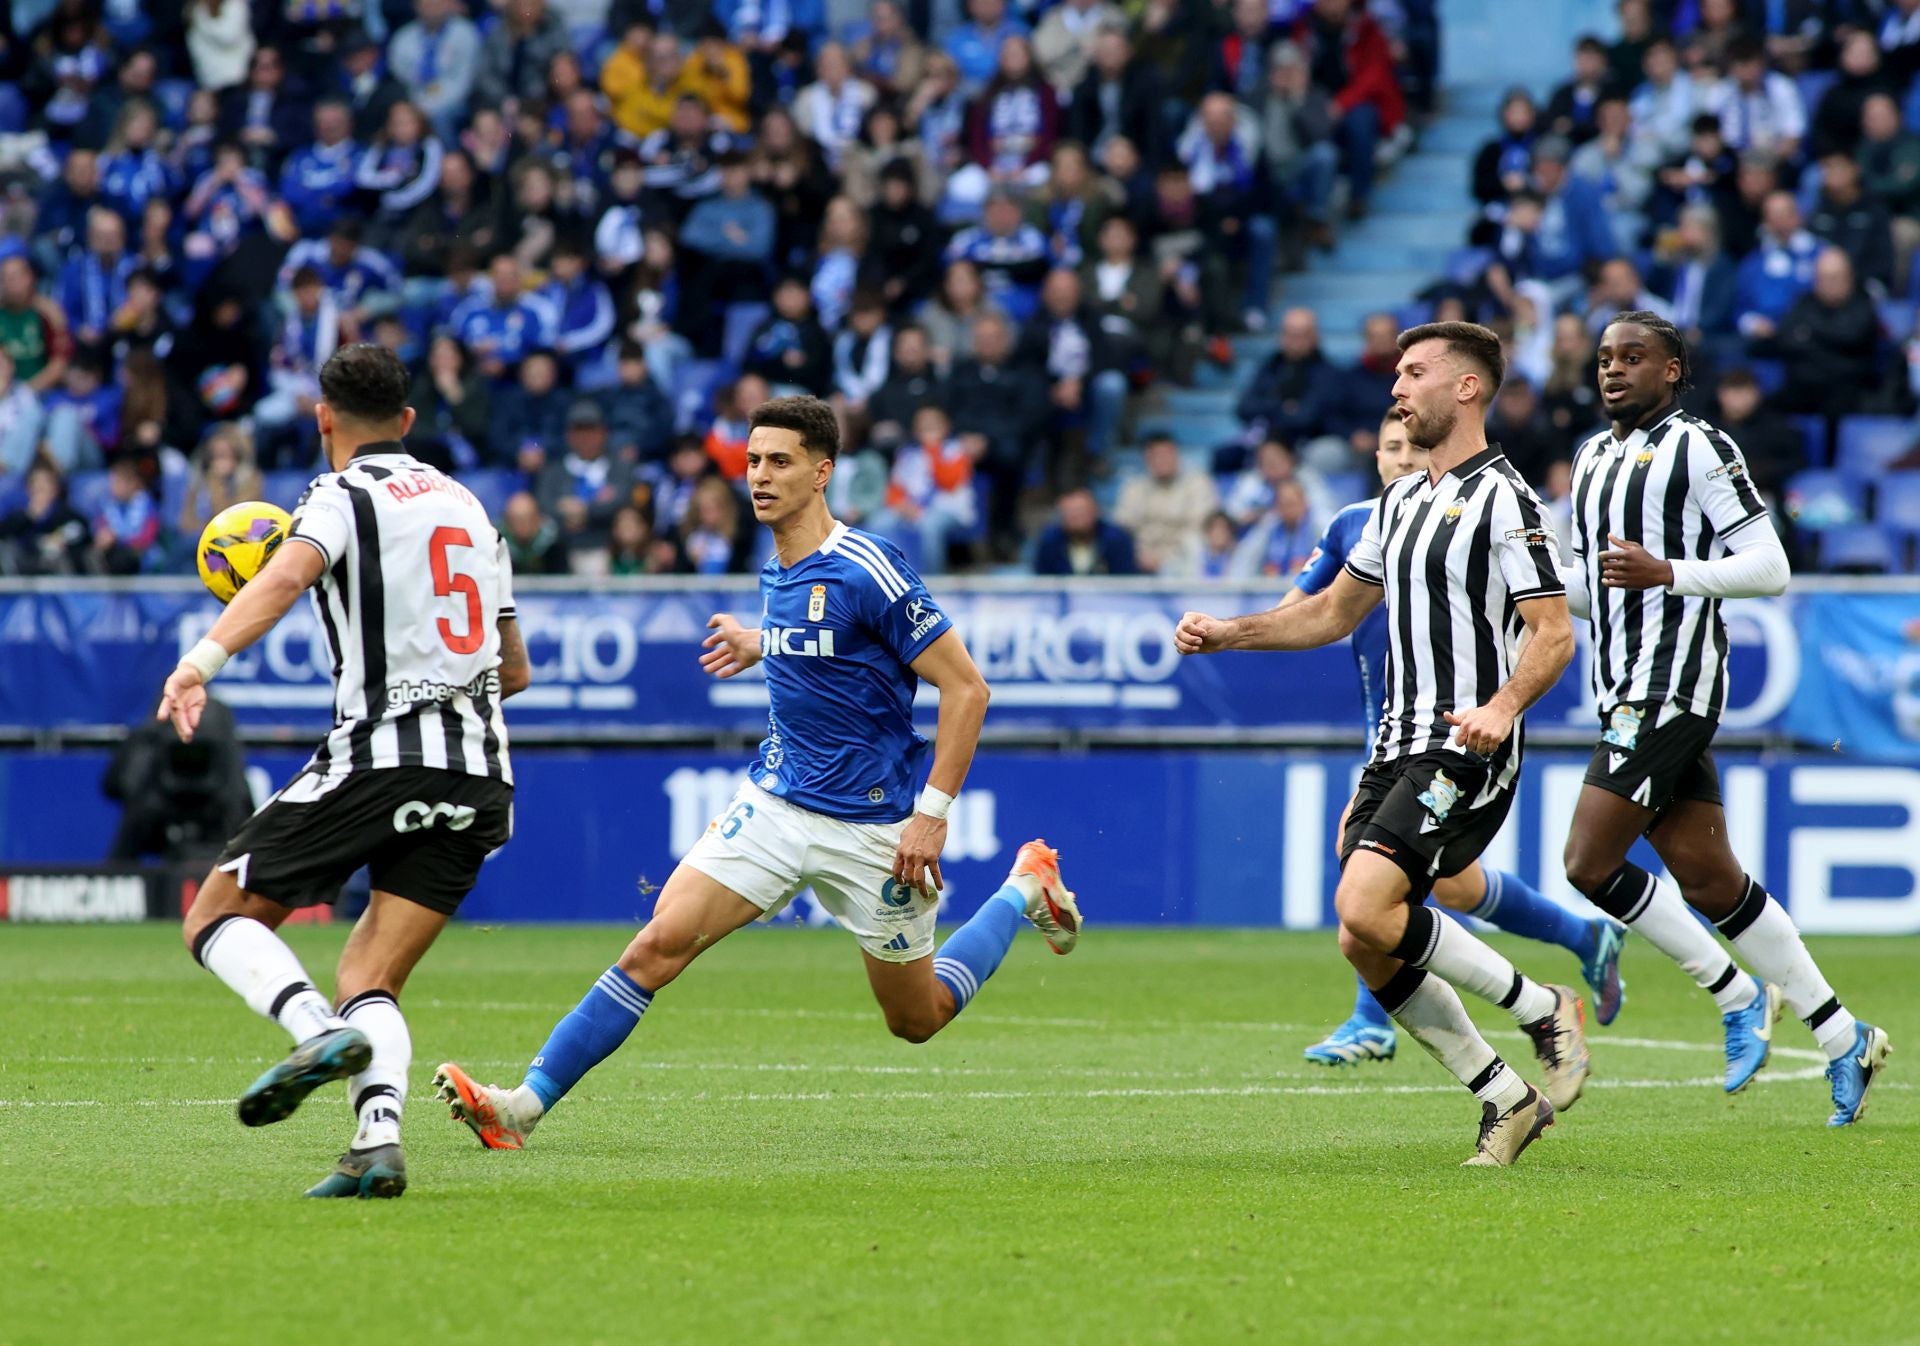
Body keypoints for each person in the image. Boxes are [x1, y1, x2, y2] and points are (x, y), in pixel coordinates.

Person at [432, 395, 1080, 1149]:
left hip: (874, 828)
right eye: (752, 462)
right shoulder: (777, 567)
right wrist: (757, 640)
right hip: (775, 804)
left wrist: (932, 816)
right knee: (656, 946)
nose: (760, 477)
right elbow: (821, 635)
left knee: (917, 1019)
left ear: (822, 471)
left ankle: (1022, 887)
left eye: (779, 461)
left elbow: (968, 689)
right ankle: (522, 1107)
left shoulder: (869, 567)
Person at [1175, 322, 1589, 1166]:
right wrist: (1231, 632)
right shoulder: (1396, 504)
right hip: (1394, 745)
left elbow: (1552, 634)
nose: (1396, 389)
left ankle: (1543, 1005)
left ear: (1467, 388)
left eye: (1415, 373)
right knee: (1361, 938)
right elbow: (1330, 612)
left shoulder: (1508, 503)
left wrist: (1502, 708)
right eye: (1396, 375)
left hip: (1464, 744)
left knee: (1366, 904)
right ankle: (1504, 1096)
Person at [160, 343, 531, 1198]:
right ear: (407, 420)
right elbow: (514, 670)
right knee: (373, 973)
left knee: (214, 917)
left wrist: (197, 665)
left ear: (323, 417)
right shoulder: (475, 509)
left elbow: (288, 574)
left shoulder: (337, 496)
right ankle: (376, 1143)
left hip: (381, 755)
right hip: (480, 776)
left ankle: (311, 1029)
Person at [1561, 311, 1888, 1125]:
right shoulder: (1592, 456)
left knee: (1587, 863)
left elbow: (1771, 566)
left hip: (1670, 686)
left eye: (1633, 358)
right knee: (1711, 880)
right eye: (1604, 358)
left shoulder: (1700, 445)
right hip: (1621, 685)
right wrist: (1519, 579)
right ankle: (1843, 1032)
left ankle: (1738, 993)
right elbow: (1592, 590)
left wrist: (1668, 570)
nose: (1613, 371)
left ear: (1672, 370)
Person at [1291, 410, 1624, 1067]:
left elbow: (1552, 614)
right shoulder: (1357, 525)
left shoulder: (1482, 509)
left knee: (1378, 887)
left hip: (1451, 736)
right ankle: (1584, 938)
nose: (1404, 456)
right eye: (1391, 447)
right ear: (1378, 459)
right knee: (1452, 888)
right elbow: (1307, 607)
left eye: (1414, 446)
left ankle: (1375, 1020)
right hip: (1385, 735)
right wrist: (1236, 630)